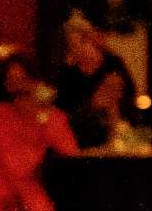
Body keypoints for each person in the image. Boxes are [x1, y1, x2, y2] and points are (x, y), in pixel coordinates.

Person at [0, 51, 78, 211]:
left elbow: (70, 153)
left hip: (31, 194)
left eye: (24, 80)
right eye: (13, 81)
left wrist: (44, 118)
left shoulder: (50, 116)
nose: (20, 89)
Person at [56, 10, 136, 150]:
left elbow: (129, 98)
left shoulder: (113, 64)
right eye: (71, 45)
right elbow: (63, 115)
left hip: (118, 137)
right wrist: (92, 104)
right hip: (83, 142)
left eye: (80, 42)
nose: (76, 50)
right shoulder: (67, 75)